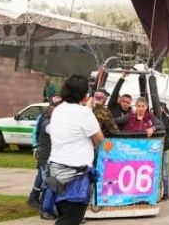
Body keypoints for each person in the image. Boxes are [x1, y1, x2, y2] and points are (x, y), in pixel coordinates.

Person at [46, 74, 103, 225]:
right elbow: (99, 138)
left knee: (65, 215)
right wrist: (88, 111)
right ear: (84, 94)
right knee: (70, 220)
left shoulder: (58, 110)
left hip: (56, 171)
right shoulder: (84, 113)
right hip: (75, 176)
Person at [159, 103, 169, 201]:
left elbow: (163, 127)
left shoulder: (167, 118)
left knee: (164, 172)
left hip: (165, 147)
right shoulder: (153, 117)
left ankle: (166, 193)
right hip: (155, 148)